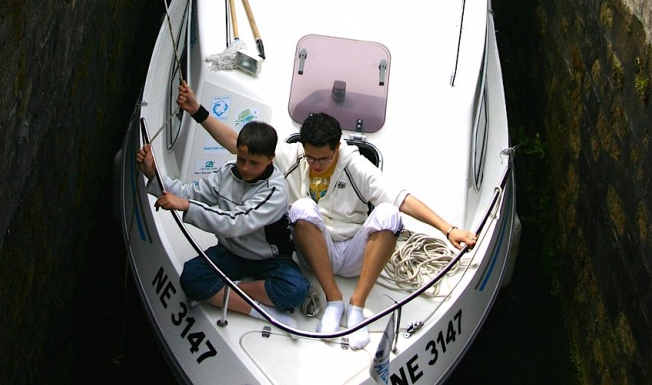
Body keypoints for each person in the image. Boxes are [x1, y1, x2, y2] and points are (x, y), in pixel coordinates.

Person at [176, 90, 477, 350]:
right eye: (311, 158)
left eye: (324, 158)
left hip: (353, 253)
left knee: (389, 213)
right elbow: (236, 143)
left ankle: (356, 307)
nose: (317, 164)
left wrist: (448, 229)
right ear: (304, 149)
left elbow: (401, 197)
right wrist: (199, 111)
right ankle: (334, 300)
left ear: (337, 148)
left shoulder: (354, 164)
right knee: (303, 208)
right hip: (314, 254)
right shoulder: (293, 156)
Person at [136, 121, 309, 330]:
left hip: (269, 258)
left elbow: (234, 222)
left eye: (254, 163)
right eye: (241, 159)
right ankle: (258, 310)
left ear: (270, 159)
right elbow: (191, 193)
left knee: (296, 290)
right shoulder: (227, 172)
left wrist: (187, 207)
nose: (245, 168)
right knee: (191, 277)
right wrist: (153, 174)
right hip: (230, 251)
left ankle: (227, 290)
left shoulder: (275, 191)